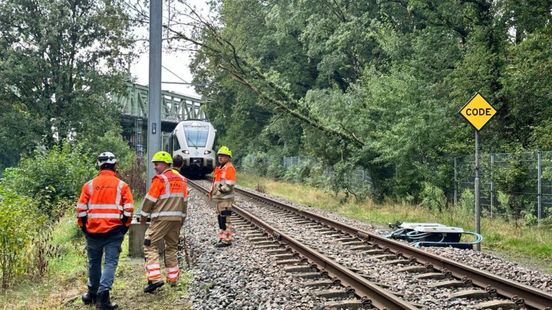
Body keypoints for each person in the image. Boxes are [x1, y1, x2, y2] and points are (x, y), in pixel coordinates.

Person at [76, 152, 134, 310]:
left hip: (92, 231)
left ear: (99, 166)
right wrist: (124, 226)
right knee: (110, 263)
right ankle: (103, 297)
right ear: (115, 166)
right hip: (114, 231)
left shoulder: (88, 185)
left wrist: (83, 227)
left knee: (94, 263)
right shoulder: (122, 185)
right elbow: (129, 209)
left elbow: (80, 210)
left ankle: (92, 293)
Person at [140, 151, 188, 293]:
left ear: (166, 164)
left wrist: (143, 217)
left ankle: (154, 279)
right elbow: (184, 202)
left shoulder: (160, 180)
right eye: (154, 163)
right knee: (172, 247)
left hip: (161, 219)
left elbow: (149, 200)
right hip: (176, 220)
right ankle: (173, 279)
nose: (155, 166)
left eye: (157, 164)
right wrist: (182, 219)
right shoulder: (183, 180)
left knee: (149, 244)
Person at [210, 146, 237, 247]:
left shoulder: (229, 168)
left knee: (225, 219)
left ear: (228, 157)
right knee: (221, 219)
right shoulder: (221, 168)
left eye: (223, 156)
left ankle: (227, 240)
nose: (220, 157)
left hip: (225, 199)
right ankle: (222, 238)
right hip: (220, 199)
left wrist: (220, 190)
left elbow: (230, 184)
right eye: (219, 155)